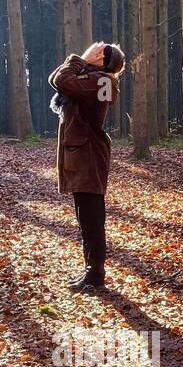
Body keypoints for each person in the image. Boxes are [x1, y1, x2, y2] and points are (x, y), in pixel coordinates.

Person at [48, 42, 126, 292]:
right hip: (83, 153)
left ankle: (95, 275)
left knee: (92, 219)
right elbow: (56, 79)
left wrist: (80, 58)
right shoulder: (93, 79)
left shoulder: (103, 82)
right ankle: (92, 272)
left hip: (89, 154)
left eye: (97, 52)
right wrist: (81, 61)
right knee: (86, 217)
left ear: (103, 60)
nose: (91, 52)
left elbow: (62, 80)